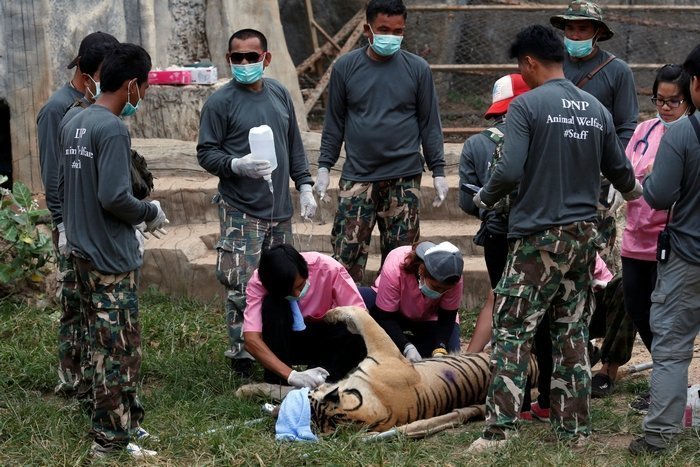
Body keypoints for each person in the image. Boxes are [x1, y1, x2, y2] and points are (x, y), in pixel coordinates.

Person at [467, 25, 639, 452]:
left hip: (536, 239)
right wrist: (639, 196)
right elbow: (621, 172)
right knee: (572, 332)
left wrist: (484, 199)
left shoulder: (526, 106)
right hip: (582, 239)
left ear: (528, 63)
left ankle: (498, 432)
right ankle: (573, 431)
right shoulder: (595, 109)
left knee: (511, 330)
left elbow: (507, 172)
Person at [60, 42, 167, 458]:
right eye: (145, 86)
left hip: (84, 251)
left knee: (99, 341)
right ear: (130, 85)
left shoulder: (75, 121)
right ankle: (109, 442)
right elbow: (114, 196)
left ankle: (124, 422)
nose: (145, 94)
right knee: (118, 349)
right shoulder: (112, 128)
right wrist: (149, 212)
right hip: (110, 258)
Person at [197, 29, 316, 376]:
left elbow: (292, 142)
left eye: (252, 57)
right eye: (238, 58)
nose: (245, 63)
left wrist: (304, 184)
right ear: (229, 60)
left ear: (266, 58)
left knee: (282, 281)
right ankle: (242, 355)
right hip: (241, 209)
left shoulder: (279, 93)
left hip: (279, 211)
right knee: (241, 283)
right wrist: (236, 165)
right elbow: (206, 153)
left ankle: (277, 346)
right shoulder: (220, 102)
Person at [316, 0, 447, 284]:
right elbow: (335, 121)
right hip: (359, 176)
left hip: (404, 178)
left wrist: (438, 170)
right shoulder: (346, 68)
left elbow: (429, 124)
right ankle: (347, 318)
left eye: (397, 31)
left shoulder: (418, 69)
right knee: (346, 254)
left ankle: (394, 321)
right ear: (368, 29)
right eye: (383, 29)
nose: (391, 36)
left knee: (402, 259)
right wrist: (325, 166)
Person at [36, 31, 119, 397]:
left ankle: (94, 375)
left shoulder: (98, 105)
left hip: (96, 222)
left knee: (94, 303)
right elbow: (54, 174)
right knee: (74, 303)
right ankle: (71, 379)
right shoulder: (58, 108)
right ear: (89, 73)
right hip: (71, 223)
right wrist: (62, 223)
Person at [628, 45, 700, 456]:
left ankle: (659, 437)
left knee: (672, 349)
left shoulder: (683, 135)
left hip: (688, 257)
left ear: (696, 83)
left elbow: (658, 196)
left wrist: (653, 179)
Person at [617, 64, 695, 410]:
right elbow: (624, 168)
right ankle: (666, 380)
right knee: (638, 308)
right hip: (636, 235)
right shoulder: (645, 130)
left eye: (673, 101)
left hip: (670, 242)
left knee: (666, 319)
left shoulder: (688, 135)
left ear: (689, 99)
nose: (664, 108)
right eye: (658, 100)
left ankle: (668, 389)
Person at [550, 0, 639, 272]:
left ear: (597, 32)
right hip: (555, 167)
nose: (575, 36)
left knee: (596, 249)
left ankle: (596, 311)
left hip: (597, 170)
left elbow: (626, 125)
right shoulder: (551, 63)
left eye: (583, 29)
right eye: (570, 29)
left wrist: (617, 172)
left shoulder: (617, 70)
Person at [458, 73, 530, 353]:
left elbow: (467, 203)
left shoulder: (476, 144)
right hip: (537, 231)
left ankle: (481, 359)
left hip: (497, 234)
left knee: (500, 292)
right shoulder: (541, 135)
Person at [242, 244, 367, 388]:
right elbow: (251, 340)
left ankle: (323, 380)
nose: (296, 294)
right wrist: (292, 375)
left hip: (323, 339)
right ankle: (278, 382)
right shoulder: (260, 281)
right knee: (271, 306)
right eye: (288, 292)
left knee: (352, 324)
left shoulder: (329, 268)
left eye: (300, 286)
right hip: (286, 341)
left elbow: (361, 317)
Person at [358, 241, 464, 360]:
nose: (440, 292)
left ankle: (397, 350)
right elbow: (385, 317)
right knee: (360, 300)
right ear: (422, 270)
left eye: (444, 290)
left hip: (431, 317)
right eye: (436, 287)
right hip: (394, 313)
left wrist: (440, 348)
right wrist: (407, 347)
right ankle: (402, 347)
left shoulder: (455, 279)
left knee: (451, 354)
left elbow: (447, 318)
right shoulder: (395, 265)